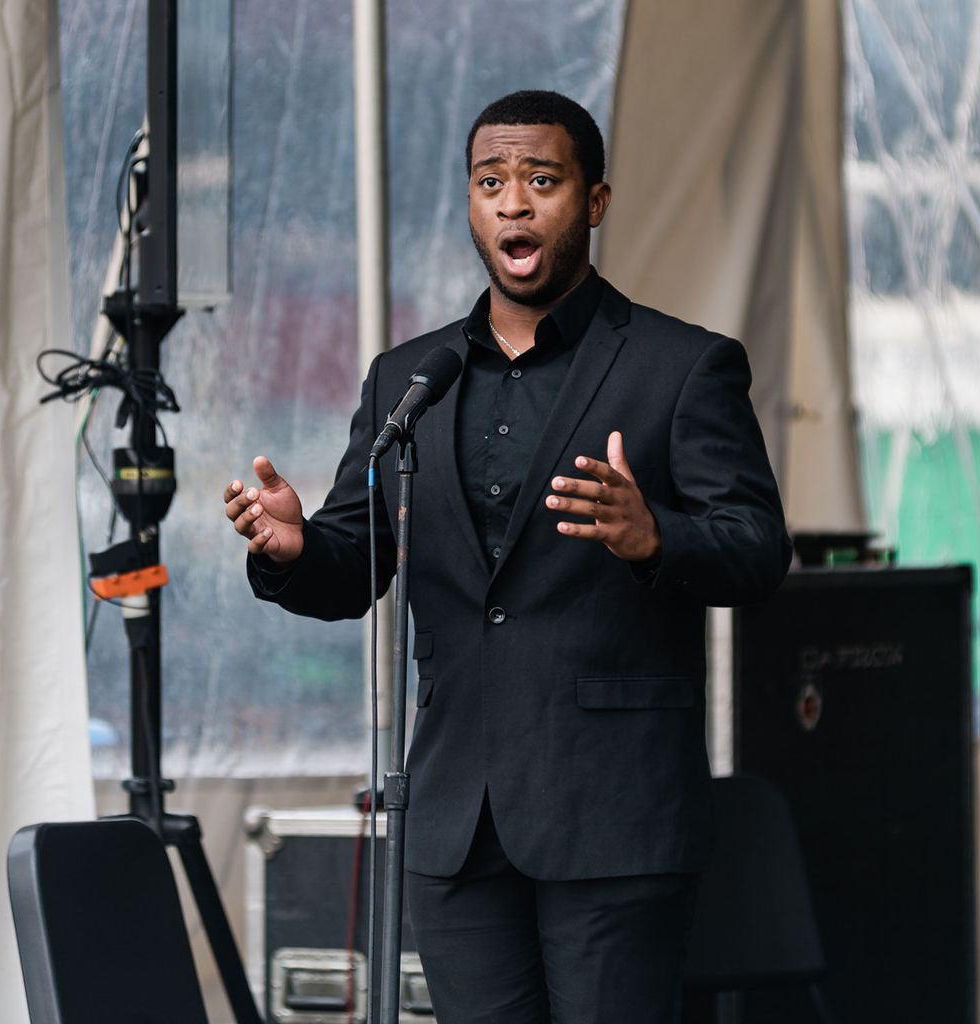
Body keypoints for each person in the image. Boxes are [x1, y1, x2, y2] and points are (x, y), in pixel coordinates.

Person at [224, 90, 791, 1024]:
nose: (514, 204)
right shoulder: (409, 378)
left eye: (541, 180)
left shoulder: (681, 366)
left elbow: (758, 554)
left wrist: (657, 537)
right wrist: (294, 547)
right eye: (492, 183)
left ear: (595, 201)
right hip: (455, 818)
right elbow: (355, 560)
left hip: (614, 816)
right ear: (472, 203)